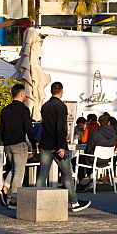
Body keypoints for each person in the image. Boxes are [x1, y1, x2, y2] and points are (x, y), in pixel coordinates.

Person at [36, 82, 90, 212]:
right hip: (57, 145)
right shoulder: (61, 107)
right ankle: (74, 202)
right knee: (67, 173)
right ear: (61, 91)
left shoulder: (45, 106)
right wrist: (62, 146)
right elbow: (61, 127)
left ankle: (36, 200)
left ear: (51, 91)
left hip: (45, 144)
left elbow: (44, 126)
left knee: (42, 174)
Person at [0, 83, 37, 208]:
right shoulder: (24, 109)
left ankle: (4, 188)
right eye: (25, 93)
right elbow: (28, 128)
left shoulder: (5, 110)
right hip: (19, 143)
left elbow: (2, 129)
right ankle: (14, 199)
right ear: (21, 94)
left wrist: (5, 141)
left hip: (8, 143)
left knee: (14, 168)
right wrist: (33, 145)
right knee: (19, 172)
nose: (25, 96)